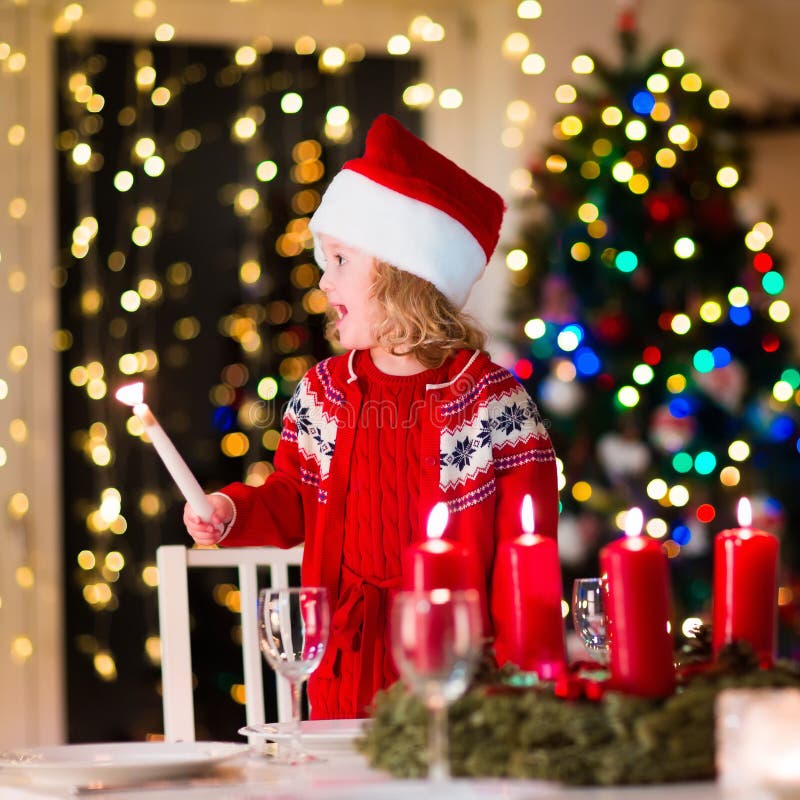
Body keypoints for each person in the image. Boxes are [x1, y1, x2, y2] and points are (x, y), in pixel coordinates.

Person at [184, 114, 559, 720]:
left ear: (404, 271)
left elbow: (528, 553)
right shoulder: (323, 393)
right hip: (343, 669)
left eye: (339, 260)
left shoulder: (492, 404)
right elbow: (291, 497)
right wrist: (232, 511)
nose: (323, 279)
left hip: (458, 677)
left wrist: (521, 685)